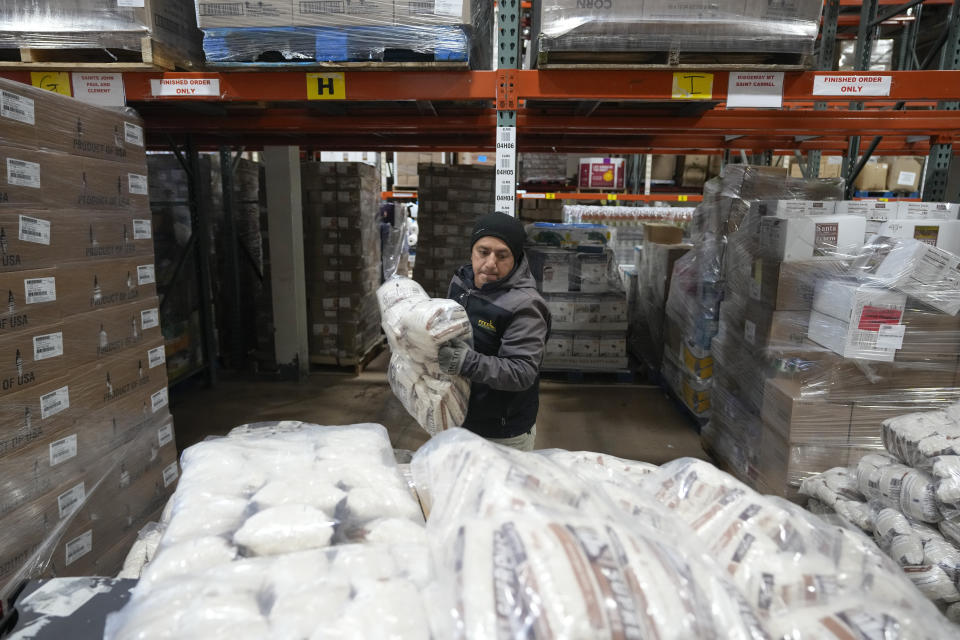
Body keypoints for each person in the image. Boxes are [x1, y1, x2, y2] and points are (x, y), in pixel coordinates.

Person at [437, 213, 551, 451]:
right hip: (457, 417)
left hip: (500, 431)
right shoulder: (462, 282)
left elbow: (521, 372)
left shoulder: (524, 305)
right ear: (472, 251)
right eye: (483, 252)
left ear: (516, 257)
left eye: (502, 255)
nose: (490, 263)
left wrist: (464, 361)